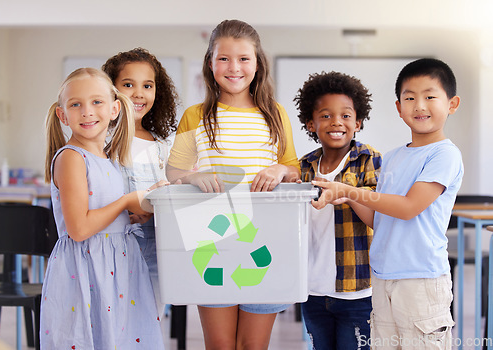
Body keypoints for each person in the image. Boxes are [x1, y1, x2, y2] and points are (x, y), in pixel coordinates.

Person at [166, 19, 300, 349]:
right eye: (223, 58)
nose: (234, 68)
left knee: (253, 346)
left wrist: (280, 170)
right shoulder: (196, 115)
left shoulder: (275, 114)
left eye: (243, 59)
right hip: (212, 242)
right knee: (221, 346)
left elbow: (294, 170)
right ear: (210, 63)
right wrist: (192, 176)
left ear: (258, 64)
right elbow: (173, 172)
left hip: (266, 240)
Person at [313, 58, 462, 349]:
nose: (419, 105)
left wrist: (352, 191)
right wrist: (348, 196)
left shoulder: (445, 155)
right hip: (382, 277)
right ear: (399, 108)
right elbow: (377, 219)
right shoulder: (393, 157)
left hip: (421, 279)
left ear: (452, 104)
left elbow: (408, 208)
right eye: (410, 98)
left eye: (430, 96)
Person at [41, 67, 166, 349]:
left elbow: (104, 213)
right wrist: (125, 201)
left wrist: (133, 212)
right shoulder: (71, 158)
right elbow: (80, 228)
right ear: (63, 115)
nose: (87, 111)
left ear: (114, 109)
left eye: (96, 102)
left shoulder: (108, 160)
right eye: (76, 104)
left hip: (116, 267)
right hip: (86, 271)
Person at [294, 71, 381, 349]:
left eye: (345, 116)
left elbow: (379, 218)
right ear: (311, 123)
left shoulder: (370, 160)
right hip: (312, 289)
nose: (336, 123)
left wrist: (346, 193)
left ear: (358, 122)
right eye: (326, 115)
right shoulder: (302, 167)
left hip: (357, 292)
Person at [103, 47, 179, 318]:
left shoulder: (161, 145)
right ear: (110, 90)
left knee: (149, 327)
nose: (138, 93)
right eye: (128, 84)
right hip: (114, 252)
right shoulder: (103, 140)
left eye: (147, 85)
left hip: (156, 252)